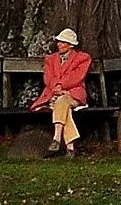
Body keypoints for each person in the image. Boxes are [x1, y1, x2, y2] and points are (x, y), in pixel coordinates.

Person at [30, 27, 91, 156]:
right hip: (55, 94)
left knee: (62, 101)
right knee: (63, 106)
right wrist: (56, 88)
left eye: (62, 42)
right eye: (58, 41)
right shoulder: (50, 59)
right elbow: (48, 77)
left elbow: (77, 77)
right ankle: (70, 148)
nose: (59, 44)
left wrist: (62, 87)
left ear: (70, 45)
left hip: (72, 93)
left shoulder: (82, 58)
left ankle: (56, 138)